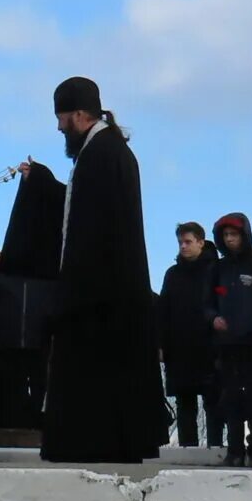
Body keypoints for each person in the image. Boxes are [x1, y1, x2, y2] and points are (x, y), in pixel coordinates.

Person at [39, 76, 165, 463]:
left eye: (62, 118)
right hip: (109, 287)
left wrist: (74, 291)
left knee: (97, 370)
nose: (60, 127)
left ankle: (94, 443)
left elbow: (92, 227)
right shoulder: (105, 151)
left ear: (79, 114)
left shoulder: (101, 154)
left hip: (102, 293)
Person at [0, 163, 64, 430]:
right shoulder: (4, 276)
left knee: (41, 388)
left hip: (39, 341)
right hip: (9, 343)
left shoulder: (50, 274)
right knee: (11, 393)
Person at [204, 213, 252, 464]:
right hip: (226, 342)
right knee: (230, 396)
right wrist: (213, 318)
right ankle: (234, 450)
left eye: (234, 235)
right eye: (226, 236)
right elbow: (207, 302)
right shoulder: (217, 269)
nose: (230, 240)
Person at [155, 221, 220, 448]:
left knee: (213, 401)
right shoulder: (172, 274)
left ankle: (215, 447)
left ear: (201, 242)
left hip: (209, 345)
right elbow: (164, 311)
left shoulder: (216, 270)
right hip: (180, 346)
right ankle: (188, 448)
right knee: (185, 402)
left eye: (188, 242)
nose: (183, 247)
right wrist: (161, 343)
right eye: (180, 242)